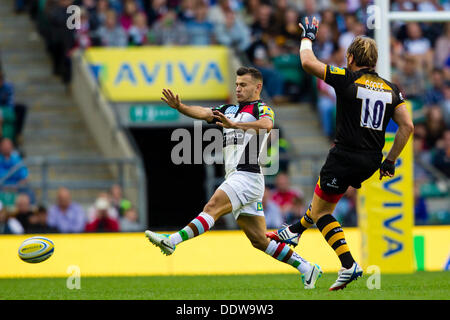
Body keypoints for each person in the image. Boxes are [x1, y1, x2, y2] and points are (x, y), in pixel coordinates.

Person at [267, 17, 414, 291]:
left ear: (350, 57)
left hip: (344, 155)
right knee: (324, 207)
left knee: (322, 214)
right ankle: (295, 232)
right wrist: (390, 160)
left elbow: (308, 63)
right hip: (371, 160)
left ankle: (348, 264)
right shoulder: (392, 89)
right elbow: (408, 125)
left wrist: (308, 36)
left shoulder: (347, 78)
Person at [145, 67, 322, 289]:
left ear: (257, 87)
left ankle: (172, 241)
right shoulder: (228, 109)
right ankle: (307, 268)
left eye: (243, 85)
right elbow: (204, 112)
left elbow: (268, 125)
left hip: (247, 175)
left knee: (212, 207)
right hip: (240, 177)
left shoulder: (261, 108)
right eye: (237, 84)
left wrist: (235, 125)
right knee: (259, 240)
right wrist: (181, 107)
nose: (238, 88)